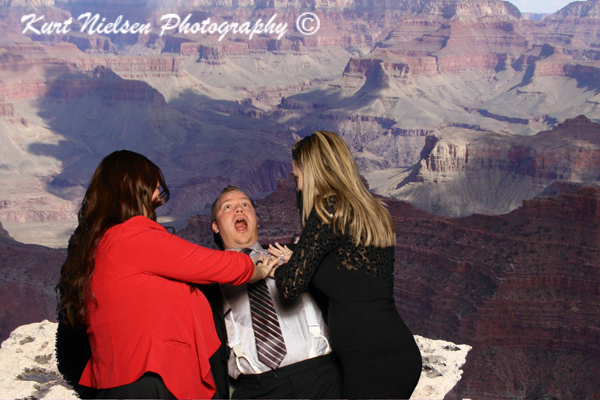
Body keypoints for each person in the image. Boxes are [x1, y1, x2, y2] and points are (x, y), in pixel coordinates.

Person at [56, 150, 276, 399]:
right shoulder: (132, 236)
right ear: (134, 185)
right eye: (152, 182)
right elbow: (206, 263)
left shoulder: (101, 243)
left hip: (122, 381)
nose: (158, 191)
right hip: (149, 381)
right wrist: (255, 268)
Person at [273, 131, 423, 398]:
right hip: (393, 352)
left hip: (371, 362)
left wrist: (282, 266)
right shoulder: (373, 212)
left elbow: (289, 286)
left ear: (314, 171)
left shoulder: (329, 206)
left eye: (298, 178)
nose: (297, 187)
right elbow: (345, 277)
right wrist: (297, 256)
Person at [210, 186, 343, 399]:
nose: (238, 210)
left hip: (321, 378)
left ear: (257, 219)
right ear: (215, 226)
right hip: (257, 389)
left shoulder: (296, 254)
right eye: (228, 207)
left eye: (245, 204)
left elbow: (343, 290)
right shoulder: (210, 281)